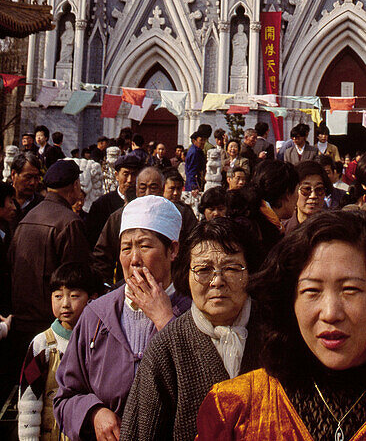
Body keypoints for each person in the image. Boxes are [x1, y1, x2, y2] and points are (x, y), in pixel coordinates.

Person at [196, 211, 366, 440]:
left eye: (350, 290)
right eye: (312, 291)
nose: (330, 313)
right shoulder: (234, 409)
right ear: (290, 301)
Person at [54, 195, 190, 440]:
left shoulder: (192, 313)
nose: (134, 259)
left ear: (172, 250)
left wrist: (165, 320)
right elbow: (65, 397)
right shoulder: (96, 314)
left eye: (145, 246)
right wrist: (93, 412)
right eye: (126, 247)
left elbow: (204, 396)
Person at [121, 219, 261, 441]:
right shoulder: (166, 348)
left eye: (232, 268)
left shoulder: (278, 335)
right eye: (203, 270)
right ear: (186, 275)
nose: (217, 281)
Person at [8, 160, 91, 375]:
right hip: (52, 328)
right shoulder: (69, 222)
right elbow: (78, 278)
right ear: (75, 185)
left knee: (26, 387)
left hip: (20, 321)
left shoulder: (27, 218)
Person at [17, 262, 99, 441]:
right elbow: (29, 398)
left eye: (74, 295)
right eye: (58, 296)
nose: (65, 304)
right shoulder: (42, 344)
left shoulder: (99, 342)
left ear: (92, 298)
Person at [93, 166, 166, 287]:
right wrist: (107, 286)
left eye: (153, 188)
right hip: (128, 285)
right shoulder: (120, 217)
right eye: (143, 188)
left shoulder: (177, 214)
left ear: (162, 189)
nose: (148, 193)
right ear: (136, 190)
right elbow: (101, 257)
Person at [87, 153, 141, 245]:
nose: (130, 180)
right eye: (126, 174)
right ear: (116, 175)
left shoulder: (142, 203)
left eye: (134, 174)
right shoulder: (101, 205)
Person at [285, 162, 333, 234]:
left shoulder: (333, 231)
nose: (313, 196)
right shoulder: (282, 231)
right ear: (294, 191)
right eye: (306, 189)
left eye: (319, 189)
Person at [162, 169, 198, 238]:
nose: (175, 193)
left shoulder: (186, 211)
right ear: (163, 188)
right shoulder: (156, 208)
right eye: (172, 189)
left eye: (178, 189)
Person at [10, 151, 43, 220]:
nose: (32, 183)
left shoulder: (42, 205)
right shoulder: (3, 200)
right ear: (13, 174)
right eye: (28, 177)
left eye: (36, 178)